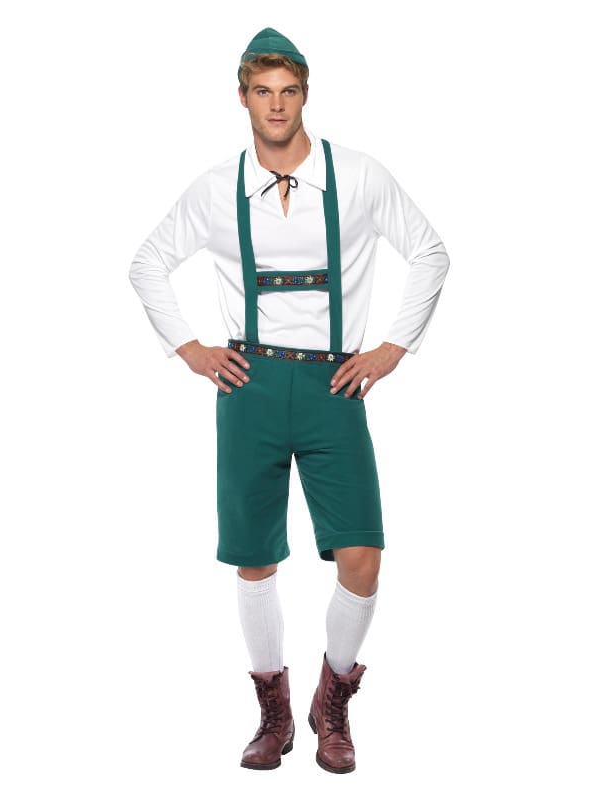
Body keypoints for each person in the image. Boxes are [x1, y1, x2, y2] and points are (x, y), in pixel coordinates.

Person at [129, 27, 450, 773]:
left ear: (306, 95)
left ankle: (331, 699)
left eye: (289, 91)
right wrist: (190, 349)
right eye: (262, 92)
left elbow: (431, 252)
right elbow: (147, 263)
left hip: (336, 383)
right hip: (249, 384)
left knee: (362, 557)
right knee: (254, 559)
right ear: (242, 98)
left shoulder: (358, 175)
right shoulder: (217, 187)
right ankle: (272, 709)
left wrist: (392, 348)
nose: (276, 105)